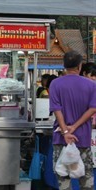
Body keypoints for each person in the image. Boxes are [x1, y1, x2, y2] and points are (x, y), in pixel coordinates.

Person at [49, 50, 96, 190]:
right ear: (80, 66)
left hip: (61, 138)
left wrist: (65, 131)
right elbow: (93, 109)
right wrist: (74, 127)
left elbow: (57, 110)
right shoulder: (92, 85)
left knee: (63, 177)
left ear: (64, 65)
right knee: (86, 177)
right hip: (82, 138)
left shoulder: (55, 84)